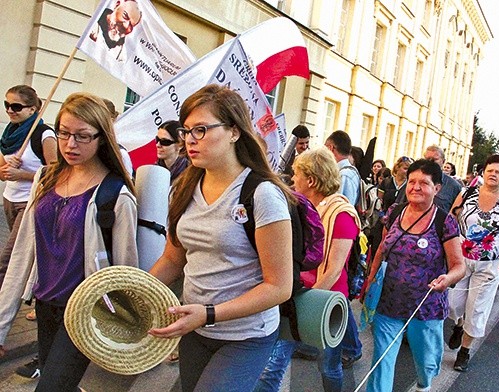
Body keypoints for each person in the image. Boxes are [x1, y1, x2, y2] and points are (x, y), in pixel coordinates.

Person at [147, 85, 293, 392]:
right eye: (186, 130)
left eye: (201, 129)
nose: (189, 139)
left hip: (247, 336)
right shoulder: (183, 187)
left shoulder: (262, 194)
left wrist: (209, 314)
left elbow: (279, 287)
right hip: (196, 331)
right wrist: (131, 292)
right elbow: (173, 259)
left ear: (234, 132)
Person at [0, 92, 138, 389]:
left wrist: (124, 326)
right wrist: (2, 324)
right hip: (44, 303)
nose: (70, 144)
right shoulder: (45, 178)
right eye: (63, 133)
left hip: (85, 312)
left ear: (102, 137)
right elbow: (23, 253)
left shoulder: (116, 195)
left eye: (82, 136)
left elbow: (127, 271)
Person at [255, 147, 361, 392]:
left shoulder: (342, 214)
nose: (292, 180)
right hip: (294, 295)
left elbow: (334, 270)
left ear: (311, 180)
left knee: (329, 367)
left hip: (324, 301)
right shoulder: (297, 208)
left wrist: (304, 303)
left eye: (296, 174)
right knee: (272, 367)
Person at [365, 159, 465, 392]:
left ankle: (423, 385)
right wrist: (370, 280)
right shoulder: (394, 212)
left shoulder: (445, 222)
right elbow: (381, 248)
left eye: (424, 183)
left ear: (437, 189)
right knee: (381, 362)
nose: (416, 187)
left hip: (426, 307)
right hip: (389, 303)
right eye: (412, 182)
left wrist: (447, 280)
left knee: (426, 363)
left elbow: (459, 266)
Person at [447, 155, 499, 371]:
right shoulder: (466, 193)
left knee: (477, 309)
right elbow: (451, 219)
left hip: (489, 265)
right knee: (452, 303)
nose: (493, 174)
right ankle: (459, 325)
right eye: (490, 170)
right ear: (483, 172)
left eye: (498, 172)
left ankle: (464, 352)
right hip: (461, 260)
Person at [0, 85, 57, 289]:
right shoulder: (8, 136)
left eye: (16, 107)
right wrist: (7, 169)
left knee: (8, 258)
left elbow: (55, 173)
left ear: (32, 109)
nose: (10, 111)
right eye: (7, 105)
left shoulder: (44, 134)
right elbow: (2, 173)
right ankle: (35, 290)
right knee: (25, 252)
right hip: (9, 200)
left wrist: (22, 174)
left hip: (30, 202)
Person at [324, 130, 362, 367]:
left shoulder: (345, 175)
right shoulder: (346, 172)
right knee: (336, 291)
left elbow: (342, 208)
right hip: (338, 235)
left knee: (337, 289)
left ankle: (351, 345)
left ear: (331, 147)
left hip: (340, 236)